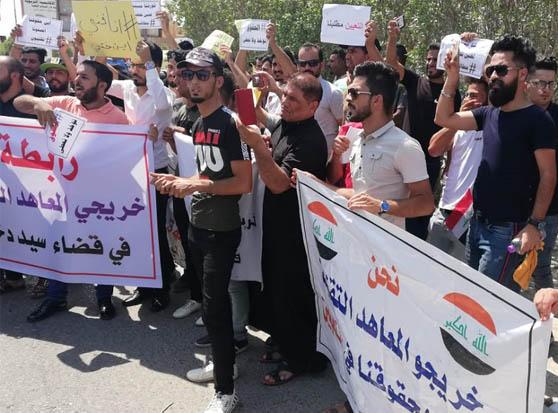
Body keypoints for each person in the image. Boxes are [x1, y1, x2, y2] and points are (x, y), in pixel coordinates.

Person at [316, 61, 435, 413]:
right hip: (355, 251)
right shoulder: (355, 137)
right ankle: (358, 399)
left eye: (355, 92)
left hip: (386, 263)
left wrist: (383, 206)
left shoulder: (405, 146)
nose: (348, 98)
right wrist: (316, 184)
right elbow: (355, 194)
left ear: (378, 100)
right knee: (357, 328)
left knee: (384, 335)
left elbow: (425, 203)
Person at [151, 47, 252, 413]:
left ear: (218, 80)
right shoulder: (198, 123)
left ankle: (226, 391)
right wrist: (178, 181)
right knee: (211, 309)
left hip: (221, 231)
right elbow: (206, 174)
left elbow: (243, 183)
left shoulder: (232, 124)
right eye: (187, 74)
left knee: (215, 308)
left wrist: (194, 185)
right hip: (198, 225)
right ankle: (225, 366)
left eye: (201, 74)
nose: (192, 81)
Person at [435, 35, 557, 292]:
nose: (492, 76)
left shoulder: (538, 121)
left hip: (508, 232)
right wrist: (452, 77)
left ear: (522, 74)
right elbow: (444, 118)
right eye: (490, 70)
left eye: (501, 70)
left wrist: (534, 225)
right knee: (472, 296)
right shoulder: (488, 114)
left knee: (488, 302)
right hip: (477, 224)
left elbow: (548, 175)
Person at [13, 60, 129, 321]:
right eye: (77, 76)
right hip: (60, 195)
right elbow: (19, 102)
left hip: (98, 200)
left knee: (101, 246)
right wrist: (39, 104)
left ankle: (103, 298)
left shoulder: (119, 119)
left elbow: (130, 157)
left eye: (84, 77)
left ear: (102, 85)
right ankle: (55, 298)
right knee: (58, 246)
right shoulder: (64, 103)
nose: (77, 81)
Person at [236, 72, 328, 385]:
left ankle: (301, 360)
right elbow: (264, 122)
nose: (284, 102)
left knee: (294, 296)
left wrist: (258, 148)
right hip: (274, 226)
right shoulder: (288, 124)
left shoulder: (310, 141)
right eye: (285, 95)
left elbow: (278, 184)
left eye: (293, 99)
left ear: (313, 106)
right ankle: (285, 344)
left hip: (295, 233)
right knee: (277, 292)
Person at [95, 39, 176, 312]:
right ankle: (144, 286)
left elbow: (161, 103)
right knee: (137, 231)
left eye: (141, 65)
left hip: (156, 171)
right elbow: (99, 80)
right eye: (134, 64)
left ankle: (162, 289)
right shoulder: (127, 88)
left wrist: (149, 63)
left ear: (154, 66)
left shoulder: (164, 94)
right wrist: (96, 49)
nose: (135, 70)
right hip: (130, 170)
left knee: (156, 233)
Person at [386, 20, 461, 240]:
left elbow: (453, 130)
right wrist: (392, 38)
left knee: (419, 215)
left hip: (430, 161)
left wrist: (450, 163)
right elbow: (391, 64)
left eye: (435, 60)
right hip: (404, 156)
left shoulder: (452, 93)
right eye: (428, 59)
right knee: (398, 207)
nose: (430, 63)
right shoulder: (415, 82)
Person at [427, 78, 489, 260]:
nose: (469, 99)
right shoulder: (456, 128)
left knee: (460, 273)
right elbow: (434, 149)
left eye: (475, 96)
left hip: (469, 216)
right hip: (444, 210)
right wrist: (456, 120)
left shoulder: (491, 127)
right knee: (430, 267)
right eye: (467, 94)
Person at [526, 56, 558, 290]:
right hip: (513, 206)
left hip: (549, 209)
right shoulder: (513, 111)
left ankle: (549, 309)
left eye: (550, 83)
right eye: (539, 83)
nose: (545, 89)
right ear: (526, 82)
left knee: (541, 265)